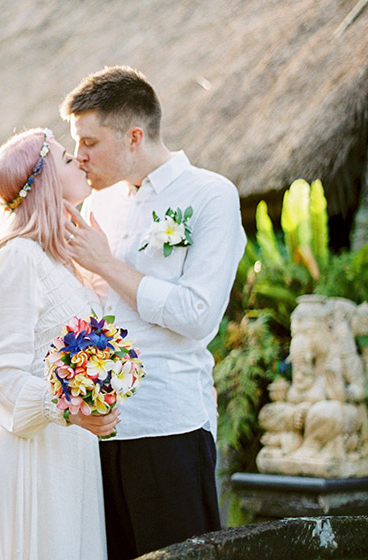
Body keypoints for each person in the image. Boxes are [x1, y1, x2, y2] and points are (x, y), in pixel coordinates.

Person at [59, 66, 246, 559]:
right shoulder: (98, 207)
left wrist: (105, 262)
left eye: (90, 142)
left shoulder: (211, 195)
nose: (79, 157)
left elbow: (198, 314)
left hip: (171, 427)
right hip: (99, 429)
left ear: (134, 136)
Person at [0, 127, 118, 560]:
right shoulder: (17, 257)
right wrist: (67, 409)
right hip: (29, 451)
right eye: (68, 159)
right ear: (45, 178)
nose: (80, 161)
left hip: (68, 448)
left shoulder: (59, 262)